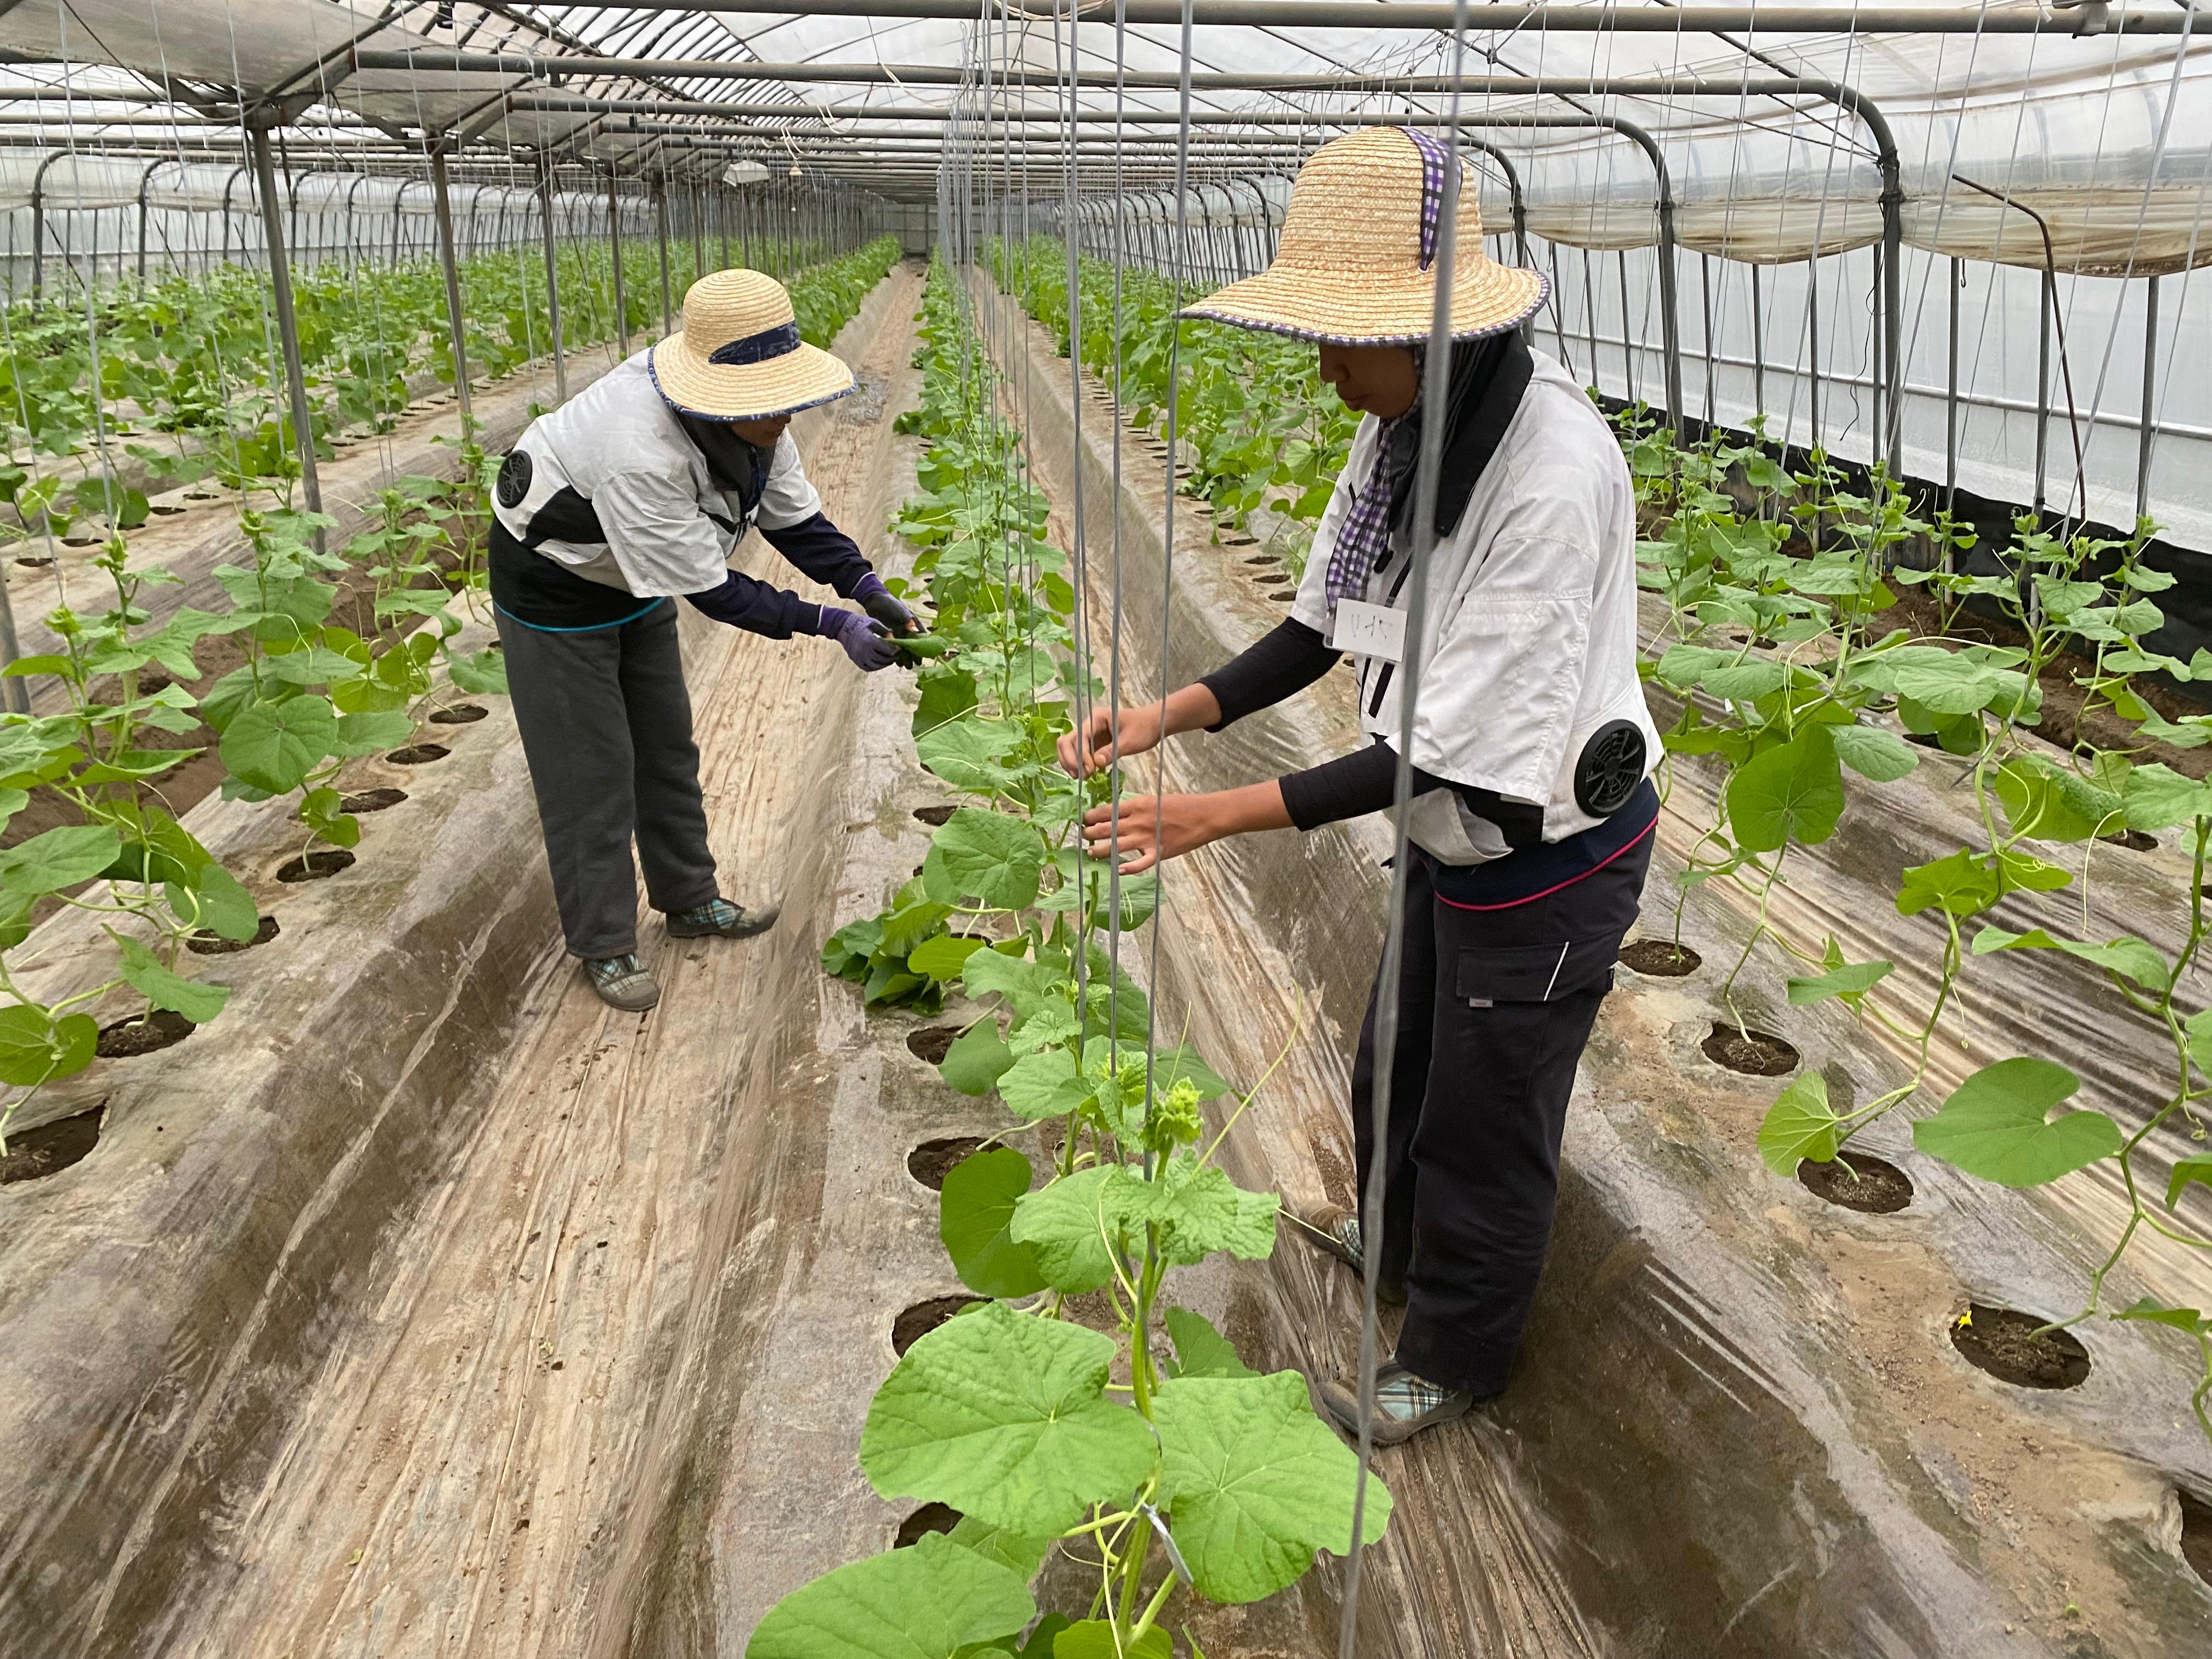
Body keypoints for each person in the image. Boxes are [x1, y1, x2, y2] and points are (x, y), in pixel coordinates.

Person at [1064, 128, 1661, 1444]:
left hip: (1545, 852)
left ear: (1435, 330)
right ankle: (1391, 1246)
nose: (1327, 366)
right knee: (1397, 1052)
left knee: (1488, 1109)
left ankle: (1457, 1350)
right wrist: (1163, 719)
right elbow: (1320, 629)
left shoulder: (1549, 477)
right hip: (1451, 830)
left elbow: (1442, 755)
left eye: (1349, 338)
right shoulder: (1403, 434)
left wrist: (1214, 815)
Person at [490, 267, 919, 1012]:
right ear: (722, 405)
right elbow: (717, 591)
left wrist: (865, 588)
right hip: (557, 584)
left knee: (665, 744)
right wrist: (832, 623)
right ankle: (605, 943)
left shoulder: (759, 414)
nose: (786, 418)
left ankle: (689, 899)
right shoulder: (639, 452)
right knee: (589, 770)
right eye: (773, 408)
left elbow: (796, 523)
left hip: (639, 576)